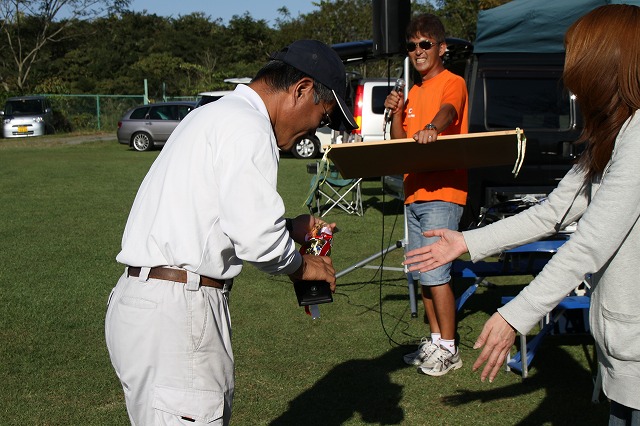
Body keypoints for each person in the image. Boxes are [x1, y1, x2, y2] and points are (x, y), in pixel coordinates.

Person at [403, 4, 640, 424]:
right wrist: (466, 241)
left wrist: (517, 313)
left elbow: (591, 242)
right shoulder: (614, 133)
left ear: (604, 63)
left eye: (575, 58)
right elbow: (552, 212)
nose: (569, 73)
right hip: (623, 356)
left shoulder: (637, 137)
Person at [105, 39, 357, 425]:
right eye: (322, 116)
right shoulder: (249, 127)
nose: (314, 128)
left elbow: (212, 213)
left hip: (143, 303)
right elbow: (258, 240)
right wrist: (304, 267)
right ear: (302, 89)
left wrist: (289, 227)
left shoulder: (212, 114)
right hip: (180, 310)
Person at [383, 13, 469, 376]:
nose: (417, 51)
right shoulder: (414, 92)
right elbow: (399, 143)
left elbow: (449, 111)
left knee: (436, 273)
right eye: (412, 46)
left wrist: (433, 127)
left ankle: (449, 348)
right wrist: (396, 113)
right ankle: (434, 341)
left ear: (441, 48)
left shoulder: (453, 82)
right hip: (414, 193)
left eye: (425, 44)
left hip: (443, 193)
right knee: (421, 273)